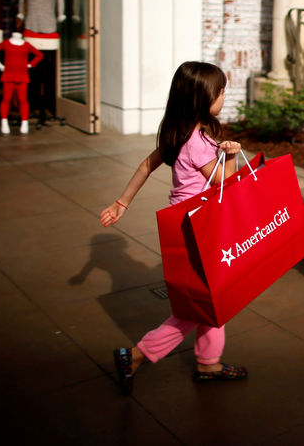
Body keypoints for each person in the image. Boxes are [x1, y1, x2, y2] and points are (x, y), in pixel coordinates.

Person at [100, 61, 248, 394]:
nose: (224, 95)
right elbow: (225, 179)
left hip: (185, 223)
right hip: (198, 226)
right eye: (221, 91)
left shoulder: (178, 131)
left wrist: (122, 202)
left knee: (212, 297)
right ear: (202, 98)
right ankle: (136, 355)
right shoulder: (196, 141)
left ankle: (208, 362)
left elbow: (145, 165)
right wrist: (232, 155)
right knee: (201, 304)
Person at [0, 31, 44, 135]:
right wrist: (0, 66)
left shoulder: (26, 45)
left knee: (23, 100)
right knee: (6, 99)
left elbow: (39, 55)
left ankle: (24, 122)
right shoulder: (6, 43)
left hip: (22, 76)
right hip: (8, 76)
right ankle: (4, 121)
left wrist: (30, 65)